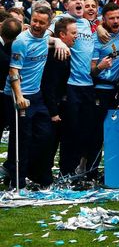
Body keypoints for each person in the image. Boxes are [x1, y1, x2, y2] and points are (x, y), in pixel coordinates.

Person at [2, 7, 53, 189]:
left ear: (48, 24)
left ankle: (37, 174)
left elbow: (51, 37)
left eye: (41, 22)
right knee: (21, 140)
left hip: (37, 95)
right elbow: (13, 70)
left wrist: (59, 43)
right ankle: (17, 181)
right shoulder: (21, 42)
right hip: (18, 96)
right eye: (34, 21)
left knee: (46, 135)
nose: (37, 25)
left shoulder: (47, 36)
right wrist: (19, 97)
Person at [49, 0, 96, 177]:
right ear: (66, 5)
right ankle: (65, 173)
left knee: (85, 132)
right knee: (70, 132)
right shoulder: (61, 22)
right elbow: (42, 36)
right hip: (71, 85)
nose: (79, 2)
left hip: (88, 85)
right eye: (74, 0)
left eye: (81, 0)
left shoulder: (86, 23)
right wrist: (56, 41)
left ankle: (77, 172)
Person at [89, 3, 119, 178]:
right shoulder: (97, 39)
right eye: (111, 18)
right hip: (100, 89)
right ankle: (90, 171)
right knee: (96, 133)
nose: (115, 21)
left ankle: (115, 170)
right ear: (103, 19)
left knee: (117, 132)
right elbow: (92, 71)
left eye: (118, 17)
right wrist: (100, 67)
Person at [41, 17, 78, 183]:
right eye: (74, 33)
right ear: (62, 35)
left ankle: (63, 174)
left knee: (65, 140)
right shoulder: (58, 54)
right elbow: (49, 84)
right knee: (50, 143)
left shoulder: (64, 51)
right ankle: (45, 177)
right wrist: (54, 112)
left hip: (59, 102)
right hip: (52, 105)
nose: (77, 36)